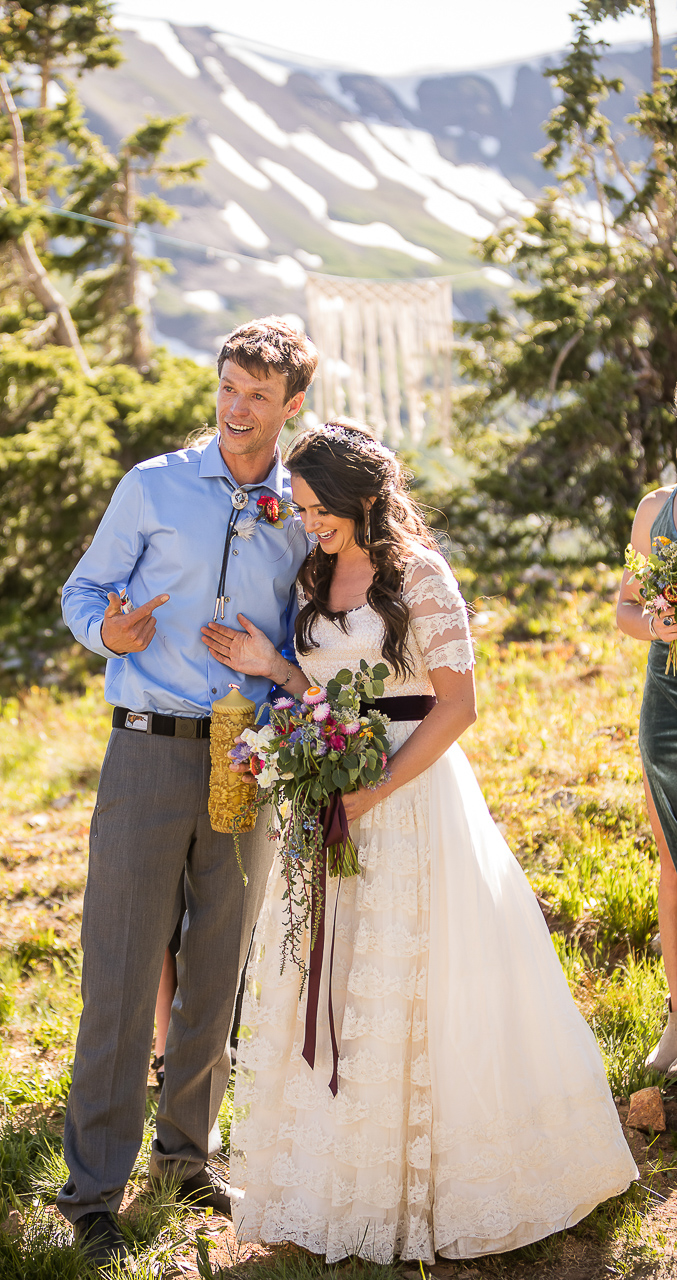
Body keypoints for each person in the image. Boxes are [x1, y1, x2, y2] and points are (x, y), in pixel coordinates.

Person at [202, 421, 637, 1265]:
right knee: (333, 978)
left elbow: (456, 707)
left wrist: (375, 789)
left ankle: (441, 1180)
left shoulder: (420, 577)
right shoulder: (314, 571)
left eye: (318, 508)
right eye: (299, 508)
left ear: (363, 498)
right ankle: (336, 1179)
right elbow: (326, 689)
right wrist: (277, 667)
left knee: (417, 980)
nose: (308, 521)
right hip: (332, 798)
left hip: (407, 799)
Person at [57, 317, 319, 1270]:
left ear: (293, 407)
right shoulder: (152, 485)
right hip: (146, 750)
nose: (236, 411)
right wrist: (108, 634)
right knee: (121, 976)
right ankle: (91, 1191)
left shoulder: (304, 507)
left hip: (247, 754)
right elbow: (81, 594)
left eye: (257, 397)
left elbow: (319, 633)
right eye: (226, 389)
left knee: (218, 968)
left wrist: (276, 664)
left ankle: (184, 1158)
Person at [617, 482, 677, 1072]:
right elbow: (626, 610)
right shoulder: (658, 511)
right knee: (672, 856)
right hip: (670, 705)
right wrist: (659, 625)